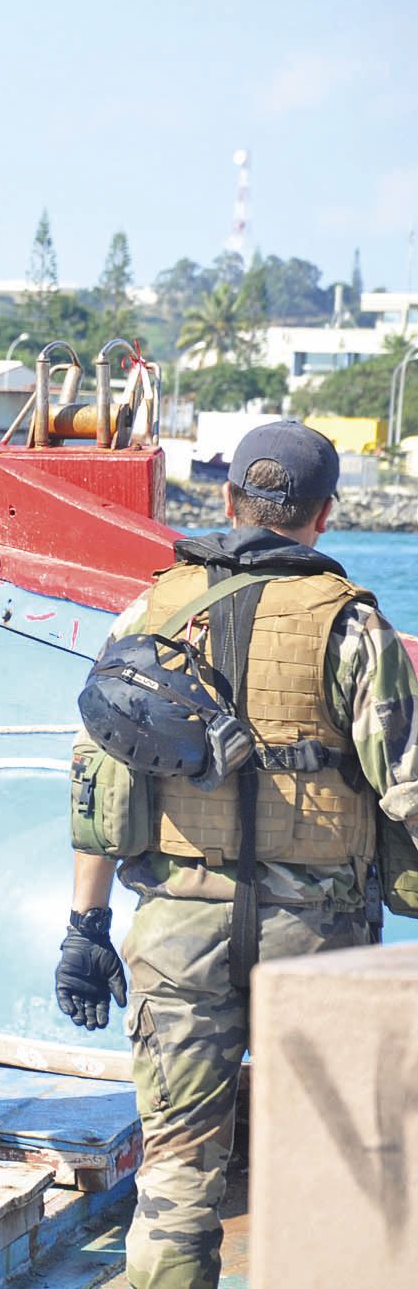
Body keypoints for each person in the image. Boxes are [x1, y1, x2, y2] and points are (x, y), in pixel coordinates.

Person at [57, 421, 418, 1289]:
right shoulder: (354, 628)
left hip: (178, 929)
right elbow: (408, 790)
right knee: (331, 1175)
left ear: (225, 500)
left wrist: (83, 925)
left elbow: (97, 789)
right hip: (320, 940)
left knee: (176, 1181)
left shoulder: (145, 614)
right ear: (324, 513)